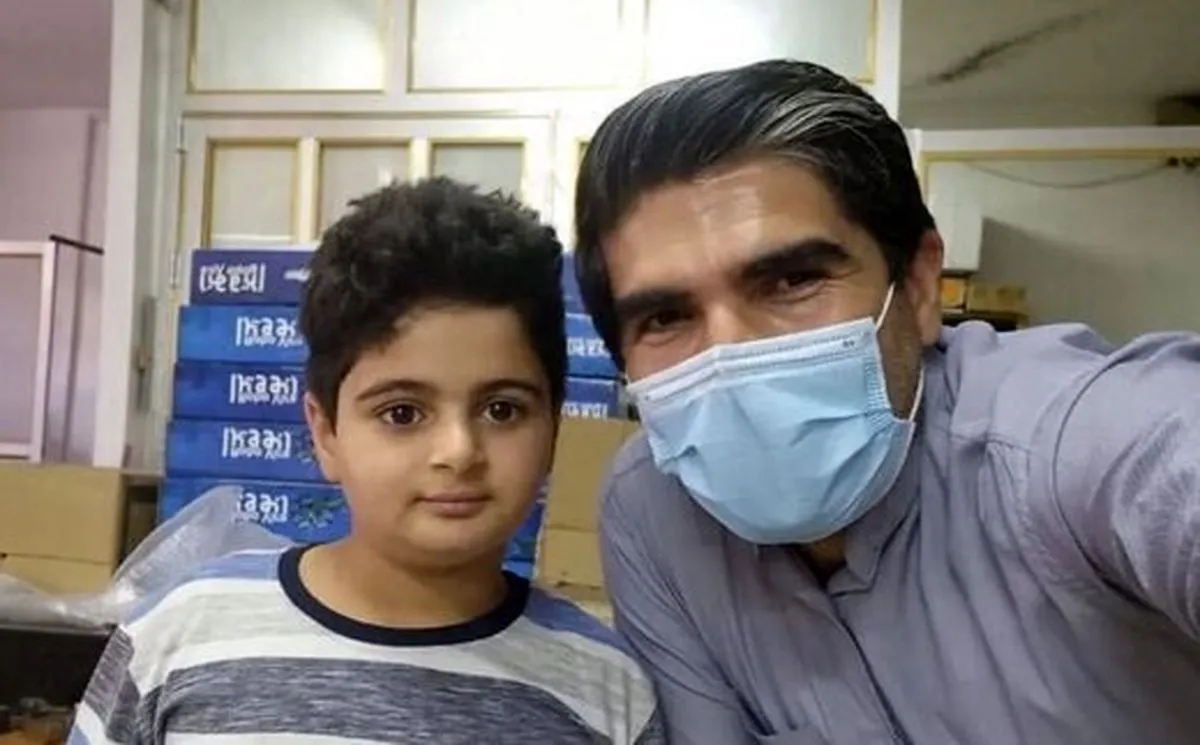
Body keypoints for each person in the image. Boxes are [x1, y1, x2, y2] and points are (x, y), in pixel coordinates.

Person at [572, 59, 1200, 745]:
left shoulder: (1067, 442)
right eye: (664, 317)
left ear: (921, 286)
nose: (730, 355)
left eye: (794, 280)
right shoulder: (650, 511)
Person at [72, 178, 663, 744]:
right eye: (402, 413)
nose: (459, 451)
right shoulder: (180, 636)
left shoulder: (605, 690)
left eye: (502, 410)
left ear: (553, 427)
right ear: (325, 432)